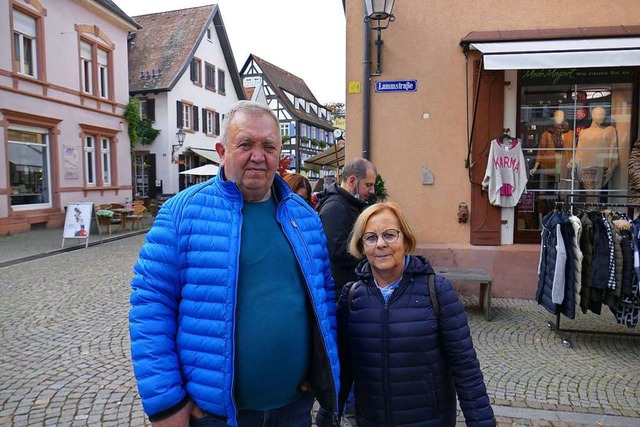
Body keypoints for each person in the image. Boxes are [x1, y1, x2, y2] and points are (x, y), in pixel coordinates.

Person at [129, 101, 340, 427]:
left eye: (268, 146)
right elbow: (150, 308)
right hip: (216, 415)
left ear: (280, 156)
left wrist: (323, 372)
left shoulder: (305, 217)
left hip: (294, 408)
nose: (258, 156)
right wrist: (168, 405)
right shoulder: (181, 213)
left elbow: (325, 300)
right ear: (222, 151)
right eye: (245, 144)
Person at [325, 202, 496, 427]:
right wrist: (327, 415)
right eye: (371, 238)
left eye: (390, 235)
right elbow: (343, 369)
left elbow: (465, 367)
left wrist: (482, 422)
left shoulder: (437, 291)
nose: (381, 244)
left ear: (405, 240)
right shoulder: (352, 297)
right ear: (362, 246)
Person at [316, 158, 377, 291]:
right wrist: (370, 247)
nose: (372, 191)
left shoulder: (349, 204)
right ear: (352, 181)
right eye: (368, 185)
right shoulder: (335, 208)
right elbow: (336, 251)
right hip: (341, 288)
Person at [571, 106, 619, 200]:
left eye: (603, 115)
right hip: (585, 168)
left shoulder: (609, 130)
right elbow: (579, 153)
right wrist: (573, 164)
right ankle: (591, 213)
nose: (602, 116)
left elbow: (613, 151)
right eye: (599, 114)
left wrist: (613, 165)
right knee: (591, 196)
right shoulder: (584, 133)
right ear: (592, 115)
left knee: (595, 196)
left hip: (601, 167)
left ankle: (592, 213)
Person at [529, 110, 575, 182]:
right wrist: (535, 167)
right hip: (550, 163)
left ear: (564, 118)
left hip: (565, 163)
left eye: (561, 116)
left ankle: (559, 190)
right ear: (554, 118)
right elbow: (541, 151)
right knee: (552, 183)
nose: (559, 118)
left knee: (562, 183)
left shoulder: (570, 134)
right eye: (557, 116)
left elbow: (575, 150)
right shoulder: (547, 134)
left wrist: (572, 161)